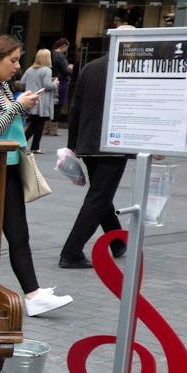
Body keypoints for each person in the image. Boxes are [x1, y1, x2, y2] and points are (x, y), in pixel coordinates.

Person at [0, 35, 73, 317]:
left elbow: (6, 125)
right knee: (9, 232)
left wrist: (20, 106)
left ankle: (31, 292)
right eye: (13, 60)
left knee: (16, 232)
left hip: (6, 167)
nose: (17, 66)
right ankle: (29, 294)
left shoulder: (0, 86)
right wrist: (18, 106)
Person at [59, 49, 130, 268]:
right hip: (114, 144)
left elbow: (76, 106)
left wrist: (73, 143)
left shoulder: (91, 67)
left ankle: (117, 241)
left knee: (100, 193)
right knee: (99, 196)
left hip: (88, 142)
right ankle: (71, 251)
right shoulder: (127, 69)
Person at [21, 48, 58, 153]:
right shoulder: (47, 70)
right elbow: (47, 85)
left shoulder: (30, 69)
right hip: (42, 100)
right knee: (39, 125)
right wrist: (55, 84)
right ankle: (34, 146)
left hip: (31, 99)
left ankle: (25, 143)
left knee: (33, 124)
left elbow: (23, 82)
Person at [48, 38, 74, 135]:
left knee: (51, 103)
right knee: (59, 104)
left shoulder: (50, 54)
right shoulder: (61, 56)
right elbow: (66, 71)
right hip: (61, 81)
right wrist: (70, 68)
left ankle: (47, 127)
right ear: (63, 46)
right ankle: (53, 129)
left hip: (51, 79)